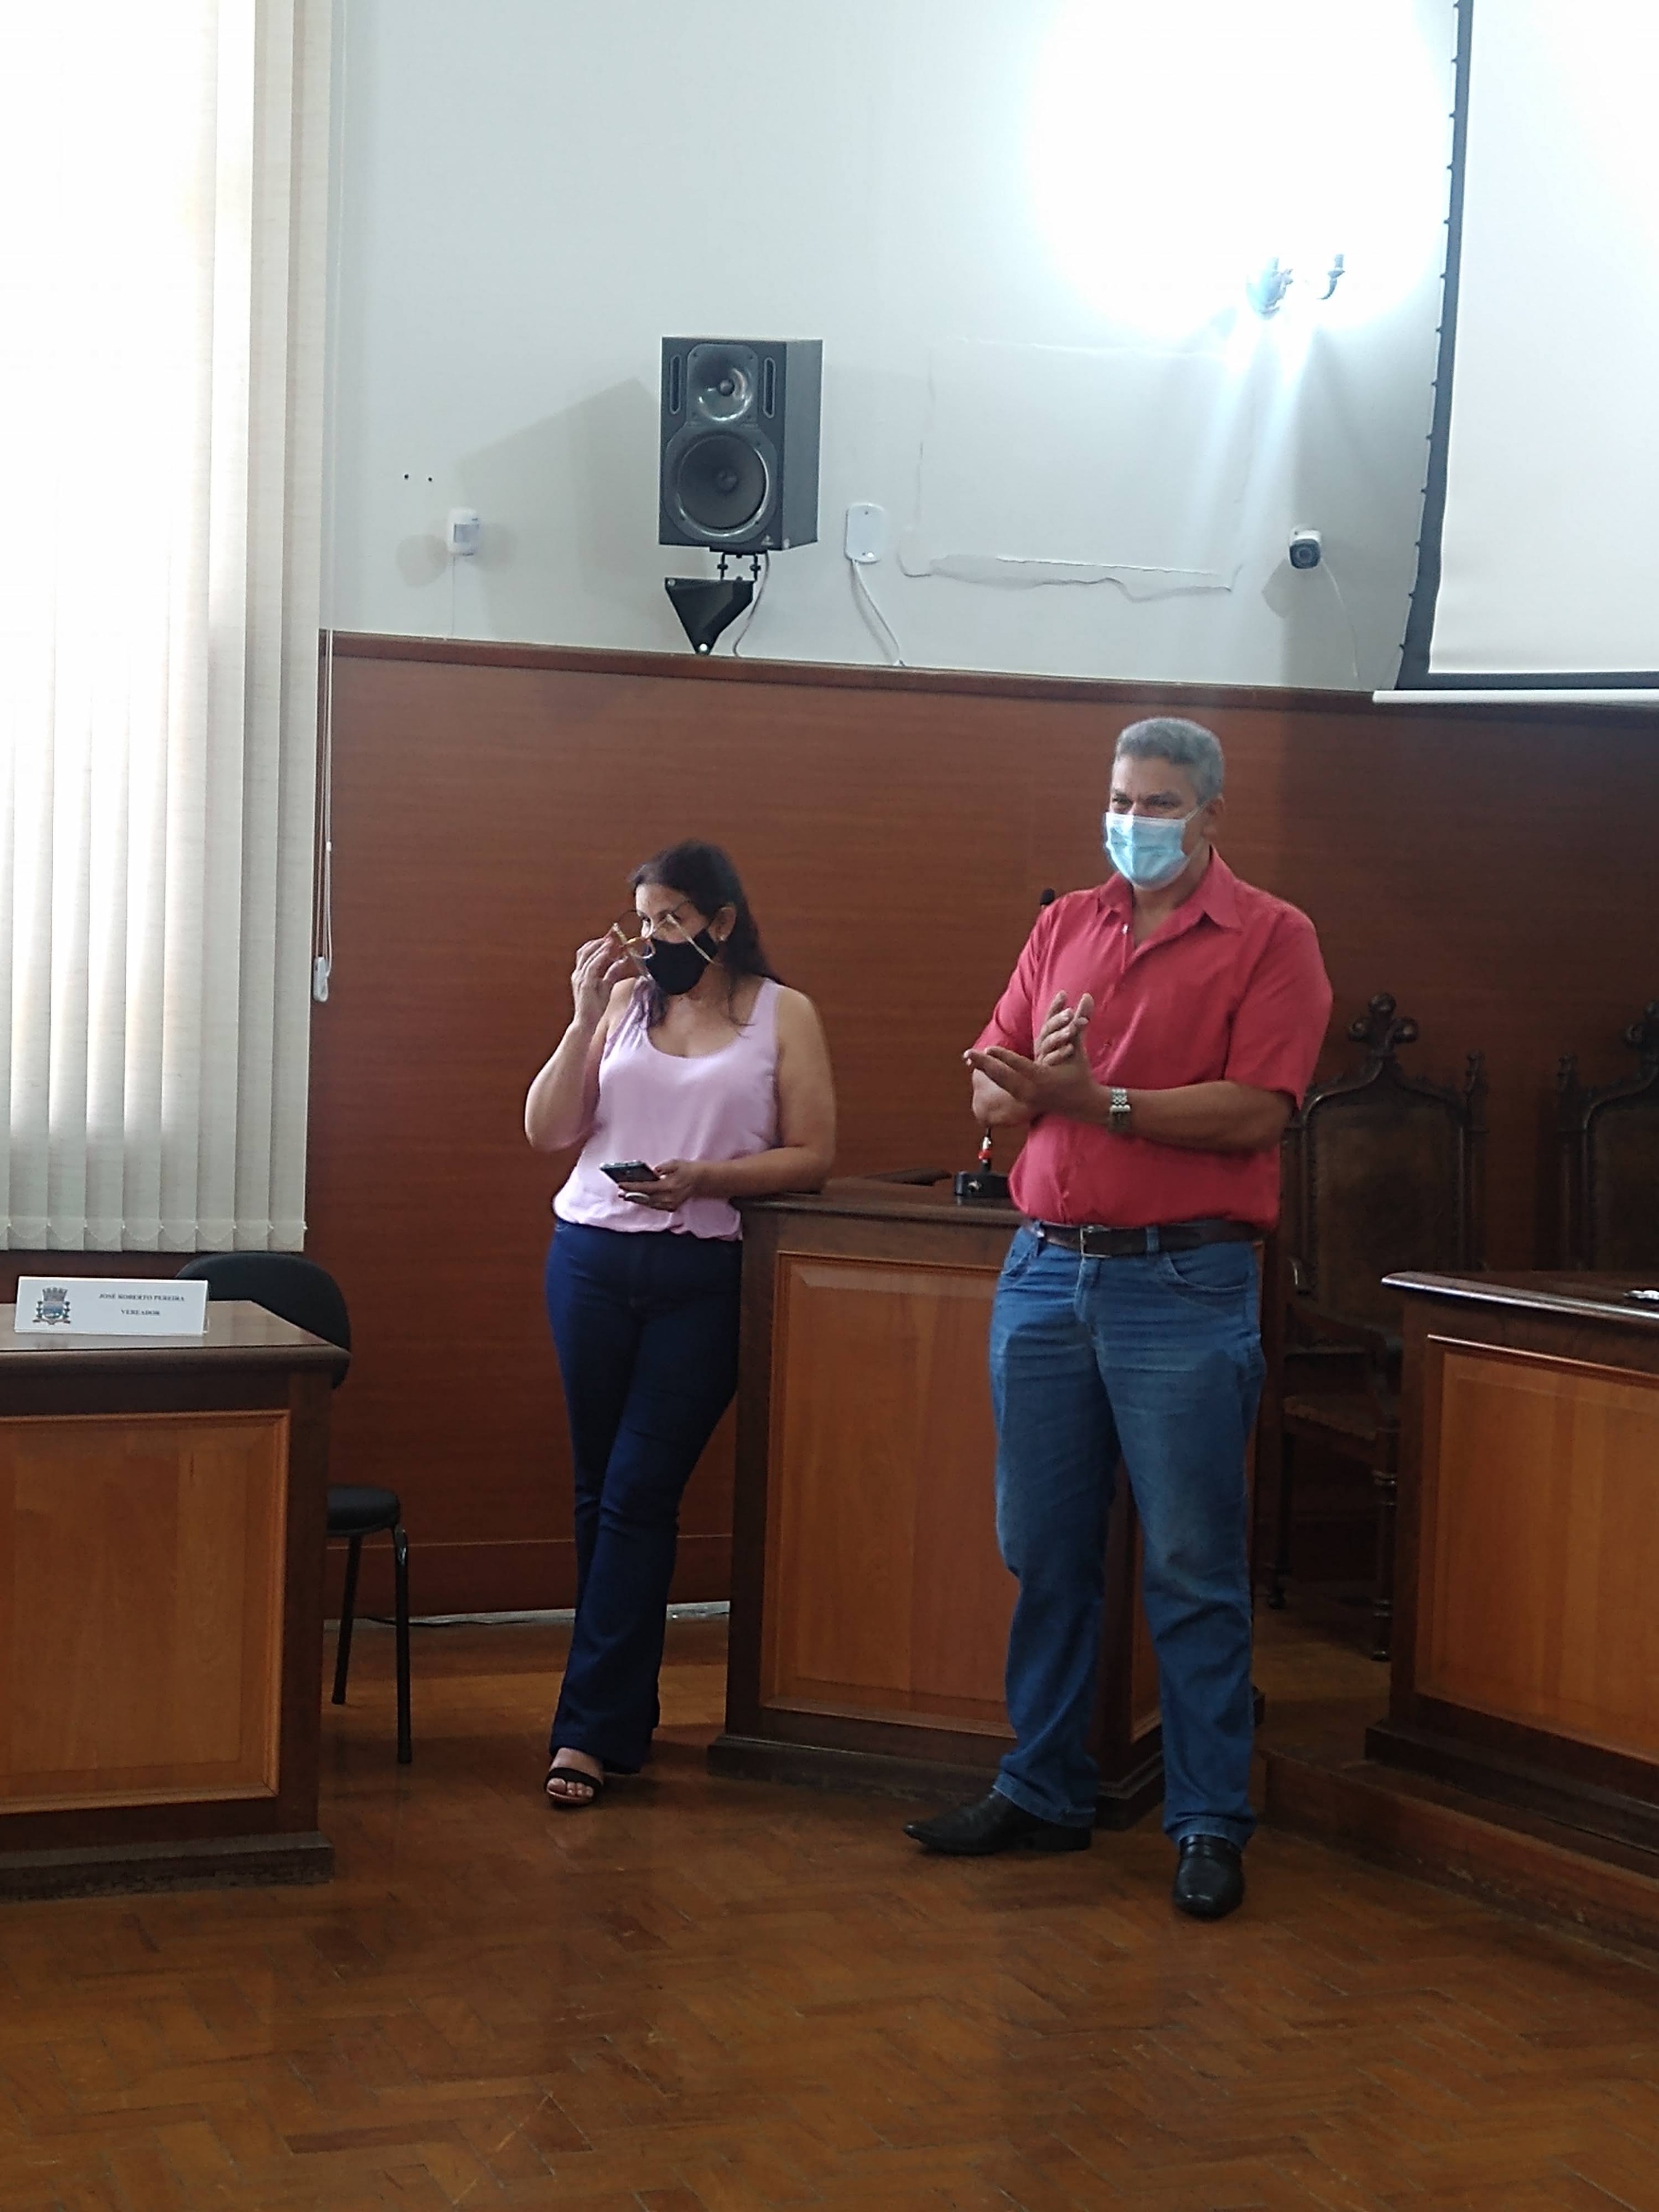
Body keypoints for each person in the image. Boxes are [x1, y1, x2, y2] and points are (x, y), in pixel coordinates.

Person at [904, 717, 1332, 1920]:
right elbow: (988, 1077)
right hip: (1045, 1272)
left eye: (1158, 804)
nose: (1133, 822)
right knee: (1043, 1550)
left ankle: (1208, 1818)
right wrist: (1021, 1089)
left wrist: (1099, 1101)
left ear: (1209, 816)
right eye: (1121, 800)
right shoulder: (1066, 923)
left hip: (1183, 1283)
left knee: (1193, 1564)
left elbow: (1259, 1111)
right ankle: (1042, 1788)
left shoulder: (1274, 936)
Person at [524, 840, 836, 1806]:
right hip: (590, 1259)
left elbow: (814, 1155)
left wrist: (707, 1179)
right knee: (599, 1492)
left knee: (637, 1491)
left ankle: (584, 1732)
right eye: (643, 921)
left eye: (671, 920)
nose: (652, 938)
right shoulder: (623, 1005)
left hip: (706, 1273)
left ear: (721, 922)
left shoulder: (783, 1014)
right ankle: (617, 1718)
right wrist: (583, 1017)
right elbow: (546, 1129)